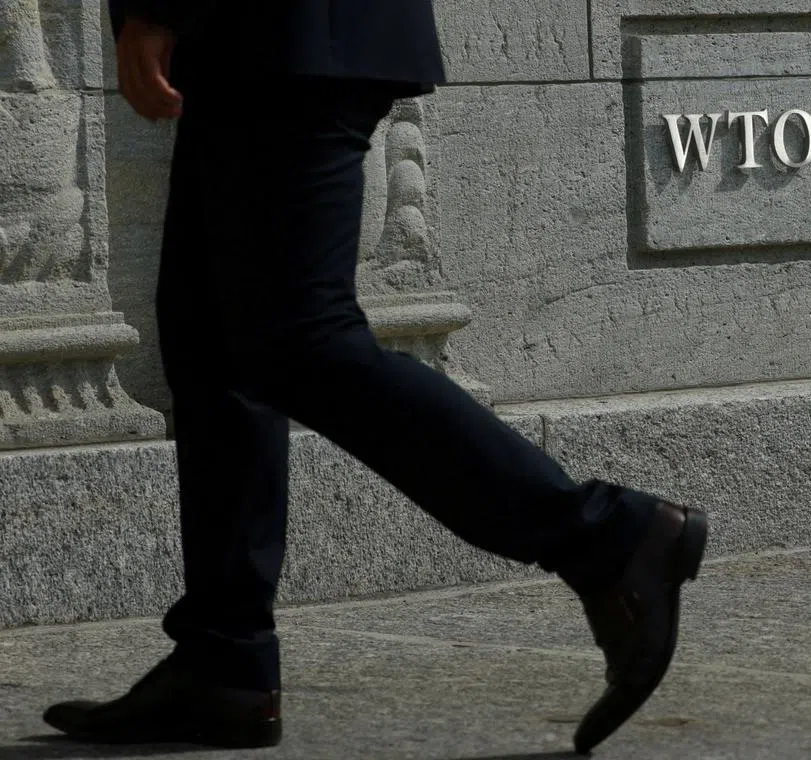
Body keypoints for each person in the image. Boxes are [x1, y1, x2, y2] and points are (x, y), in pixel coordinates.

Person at [41, 0, 708, 754]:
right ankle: (222, 665)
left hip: (286, 30)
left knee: (301, 338)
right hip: (271, 36)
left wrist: (160, 6)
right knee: (217, 347)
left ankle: (606, 536)